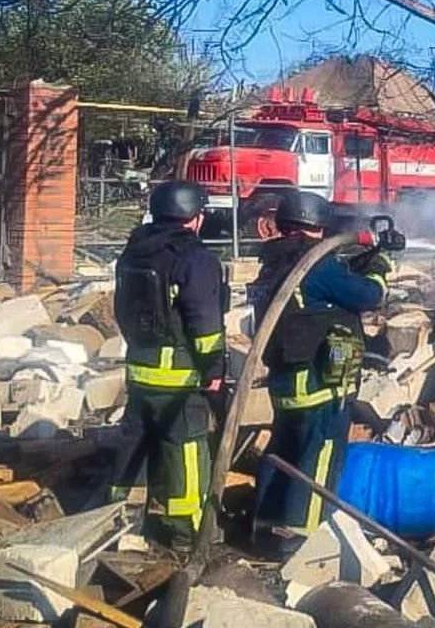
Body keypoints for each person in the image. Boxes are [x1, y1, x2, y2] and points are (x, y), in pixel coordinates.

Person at [251, 191, 391, 547]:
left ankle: (264, 527)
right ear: (316, 226)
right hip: (320, 384)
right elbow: (368, 296)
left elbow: (324, 295)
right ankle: (300, 540)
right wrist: (378, 267)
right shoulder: (315, 265)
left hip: (285, 383)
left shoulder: (273, 264)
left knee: (282, 452)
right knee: (318, 458)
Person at [110, 180, 227, 551]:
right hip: (179, 376)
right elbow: (205, 323)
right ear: (194, 217)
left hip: (140, 370)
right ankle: (188, 530)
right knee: (186, 451)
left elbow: (122, 310)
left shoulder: (134, 252)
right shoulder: (195, 259)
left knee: (136, 447)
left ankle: (121, 523)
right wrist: (214, 370)